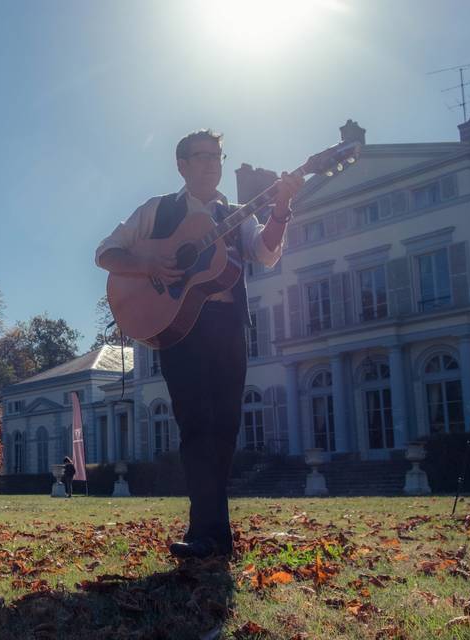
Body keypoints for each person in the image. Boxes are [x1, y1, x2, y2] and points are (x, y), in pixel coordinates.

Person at [95, 130, 303, 559]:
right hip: (179, 325)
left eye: (217, 156)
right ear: (182, 165)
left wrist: (281, 206)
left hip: (228, 324)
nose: (212, 164)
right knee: (196, 424)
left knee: (225, 426)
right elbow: (106, 253)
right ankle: (208, 531)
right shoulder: (158, 210)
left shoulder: (236, 213)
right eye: (202, 157)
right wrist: (147, 261)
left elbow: (265, 254)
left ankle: (210, 530)